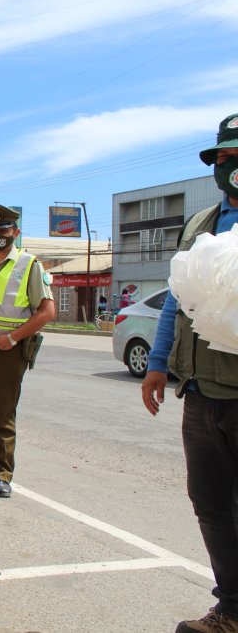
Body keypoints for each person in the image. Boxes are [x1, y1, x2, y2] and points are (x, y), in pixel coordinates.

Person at [142, 113, 238, 633]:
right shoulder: (200, 224)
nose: (231, 166)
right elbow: (176, 305)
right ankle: (231, 609)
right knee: (210, 504)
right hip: (200, 394)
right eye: (223, 157)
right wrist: (158, 366)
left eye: (237, 156)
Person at [0, 204, 55, 499]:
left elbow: (47, 312)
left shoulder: (29, 265)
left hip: (7, 351)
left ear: (16, 232)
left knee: (1, 414)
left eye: (4, 229)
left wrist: (14, 338)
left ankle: (3, 474)